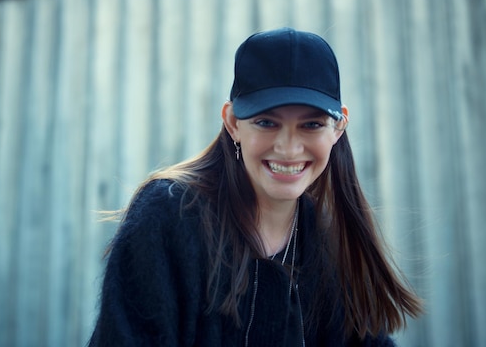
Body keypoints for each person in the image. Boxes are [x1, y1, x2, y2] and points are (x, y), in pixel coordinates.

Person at [88, 27, 423, 346]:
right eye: (266, 122)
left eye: (311, 124)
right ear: (233, 123)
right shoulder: (167, 215)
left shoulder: (326, 244)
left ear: (338, 128)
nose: (289, 148)